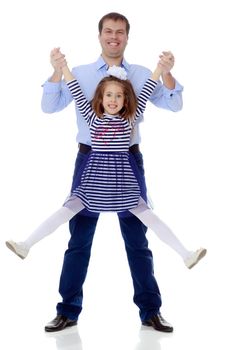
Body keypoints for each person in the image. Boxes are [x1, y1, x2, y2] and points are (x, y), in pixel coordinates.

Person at [6, 13, 187, 333]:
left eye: (120, 32)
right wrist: (57, 70)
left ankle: (150, 311)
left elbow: (172, 104)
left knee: (137, 240)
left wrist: (167, 74)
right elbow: (50, 107)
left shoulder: (143, 75)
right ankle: (68, 310)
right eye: (108, 31)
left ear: (127, 37)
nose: (113, 37)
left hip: (129, 163)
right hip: (89, 163)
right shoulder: (82, 74)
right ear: (99, 35)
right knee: (79, 238)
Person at [6, 64, 206, 271]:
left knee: (150, 218)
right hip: (94, 181)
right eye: (108, 95)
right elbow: (74, 87)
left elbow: (146, 90)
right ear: (100, 98)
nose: (113, 100)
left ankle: (186, 255)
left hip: (123, 182)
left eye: (119, 96)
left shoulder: (130, 119)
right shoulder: (93, 117)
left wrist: (159, 69)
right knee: (63, 213)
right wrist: (63, 67)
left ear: (126, 100)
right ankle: (25, 245)